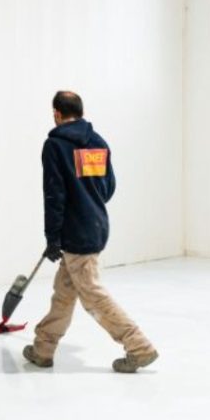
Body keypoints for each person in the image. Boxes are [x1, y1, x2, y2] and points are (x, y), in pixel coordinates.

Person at [23, 91, 159, 374]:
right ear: (81, 113)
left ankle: (139, 346)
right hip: (96, 225)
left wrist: (52, 237)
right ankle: (43, 348)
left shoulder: (55, 146)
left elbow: (54, 195)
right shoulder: (97, 143)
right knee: (63, 293)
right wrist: (87, 203)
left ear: (56, 114)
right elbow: (106, 188)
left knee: (93, 295)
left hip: (76, 234)